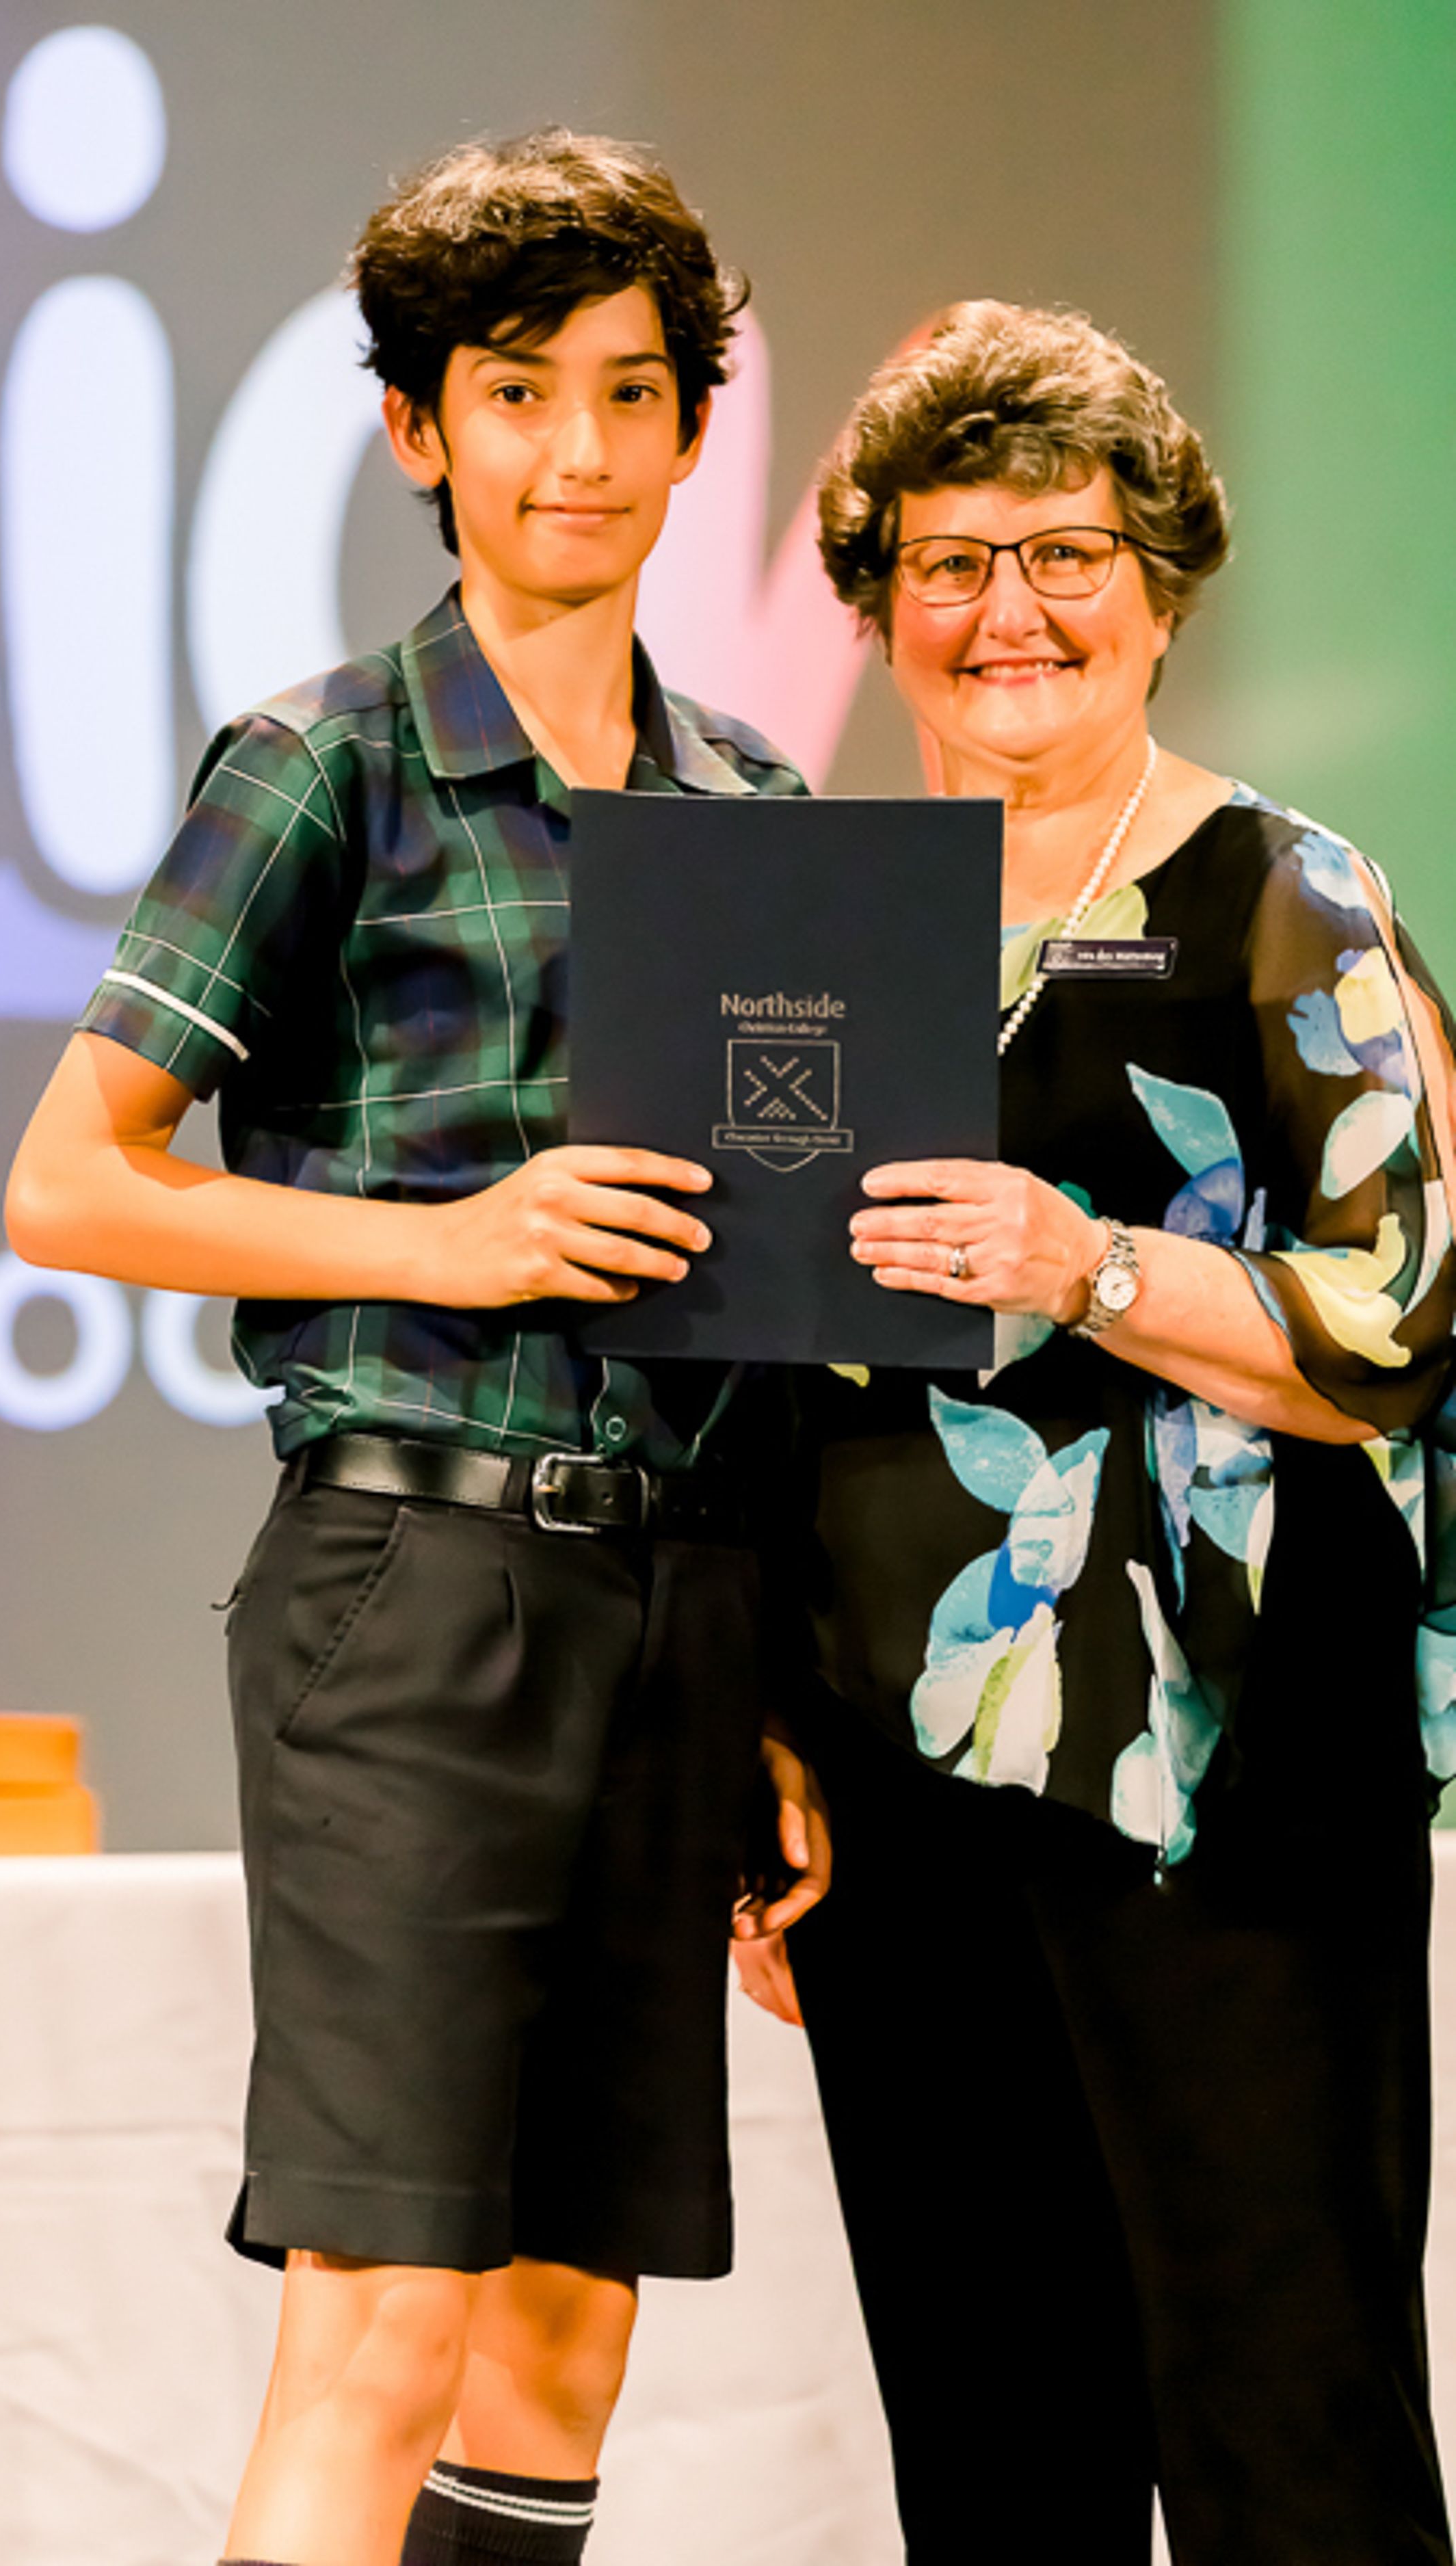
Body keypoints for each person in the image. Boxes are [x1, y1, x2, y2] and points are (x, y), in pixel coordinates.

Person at [5, 131, 828, 2566]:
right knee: (379, 2316)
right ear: (415, 430)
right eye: (515, 392)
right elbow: (69, 1181)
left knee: (568, 2328)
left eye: (630, 392)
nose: (579, 449)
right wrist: (452, 1247)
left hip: (681, 1604)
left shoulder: (758, 804)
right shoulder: (326, 766)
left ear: (695, 430)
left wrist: (781, 1686)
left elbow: (787, 1294)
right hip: (414, 1584)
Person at [732, 299, 1456, 2565]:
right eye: (947, 563)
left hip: (1232, 1760)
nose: (1006, 610)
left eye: (1062, 553)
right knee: (990, 2449)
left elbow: (1404, 1324)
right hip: (894, 1778)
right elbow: (750, 1359)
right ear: (876, 607)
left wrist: (1090, 1267)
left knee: (1285, 2429)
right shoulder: (805, 921)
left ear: (1158, 587)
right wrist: (755, 1727)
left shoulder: (1284, 897)